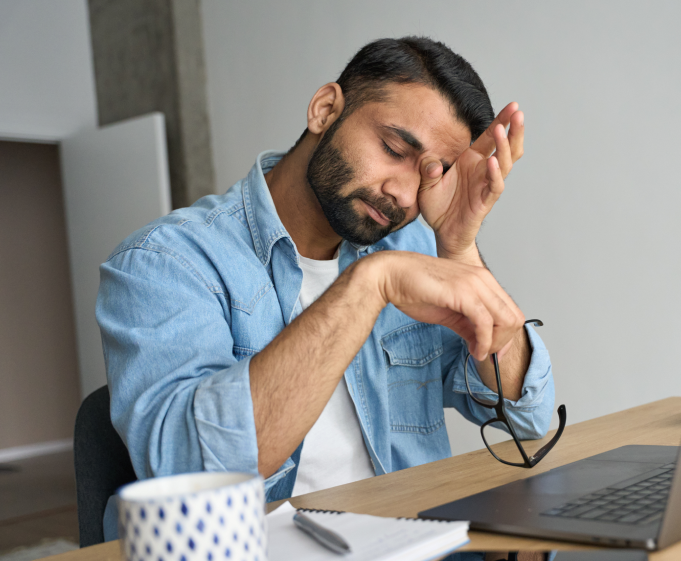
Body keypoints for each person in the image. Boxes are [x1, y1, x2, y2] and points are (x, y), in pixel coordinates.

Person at [96, 37, 555, 538]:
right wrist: (370, 285)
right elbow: (193, 478)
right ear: (325, 109)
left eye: (430, 174)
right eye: (394, 149)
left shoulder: (414, 247)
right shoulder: (166, 263)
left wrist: (460, 247)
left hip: (413, 541)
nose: (403, 193)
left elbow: (525, 417)